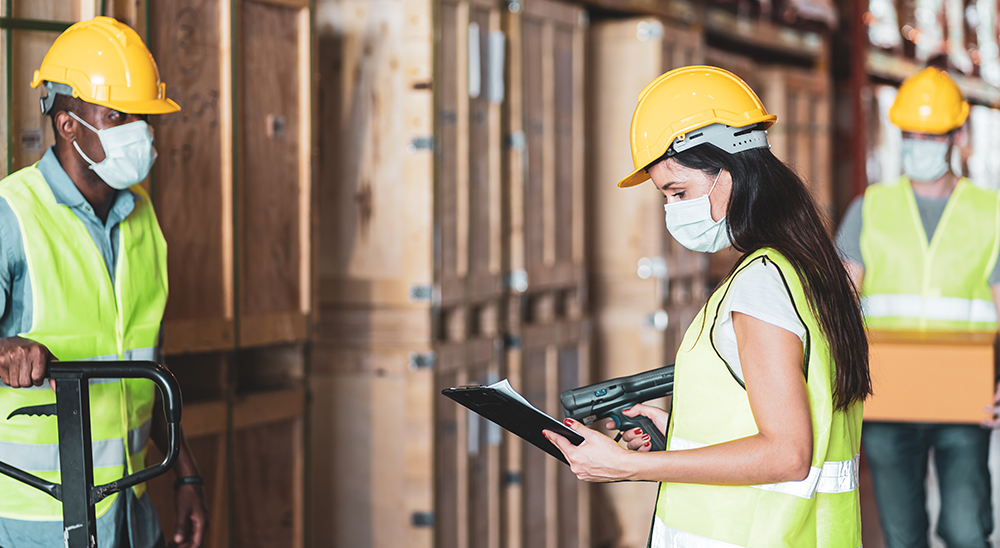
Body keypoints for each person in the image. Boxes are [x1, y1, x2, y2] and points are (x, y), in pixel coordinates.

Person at [544, 66, 871, 547]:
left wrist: (631, 466)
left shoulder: (762, 282)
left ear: (727, 172)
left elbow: (787, 453)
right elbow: (779, 416)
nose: (673, 210)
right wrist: (681, 432)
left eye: (678, 192)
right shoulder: (808, 269)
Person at [0, 17, 207, 548]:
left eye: (140, 115)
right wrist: (4, 351)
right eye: (118, 115)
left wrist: (185, 473)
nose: (137, 129)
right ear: (68, 124)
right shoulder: (11, 215)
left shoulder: (142, 217)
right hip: (34, 518)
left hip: (130, 510)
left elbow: (150, 365)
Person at [836, 66, 1000, 548]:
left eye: (930, 135)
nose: (919, 145)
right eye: (910, 134)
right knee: (903, 535)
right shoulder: (870, 208)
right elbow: (843, 306)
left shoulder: (990, 213)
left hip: (965, 399)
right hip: (889, 396)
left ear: (956, 134)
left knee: (968, 531)